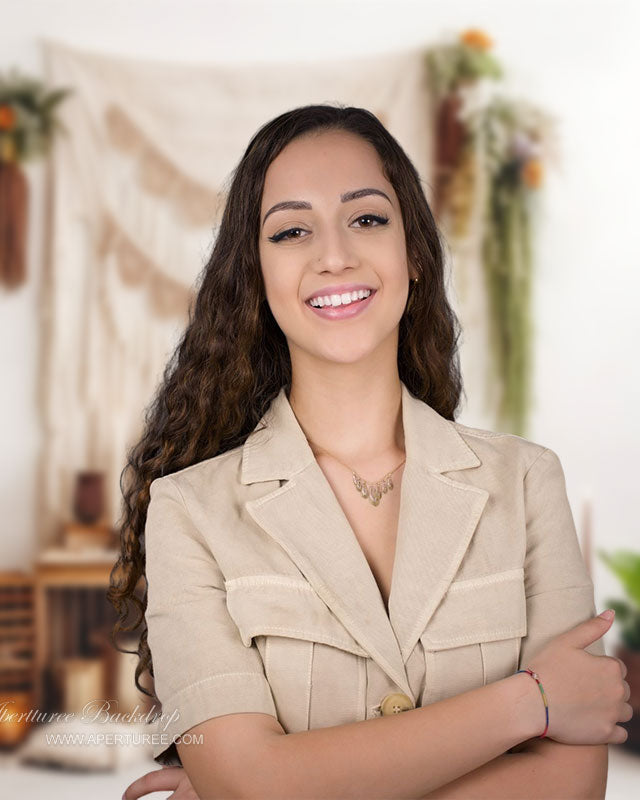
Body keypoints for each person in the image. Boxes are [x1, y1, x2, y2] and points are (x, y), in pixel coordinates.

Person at [109, 104, 632, 800]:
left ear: (413, 253)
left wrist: (279, 784)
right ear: (256, 276)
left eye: (366, 218)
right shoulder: (188, 511)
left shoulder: (528, 482)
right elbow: (247, 782)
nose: (334, 255)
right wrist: (530, 701)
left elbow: (572, 786)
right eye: (292, 231)